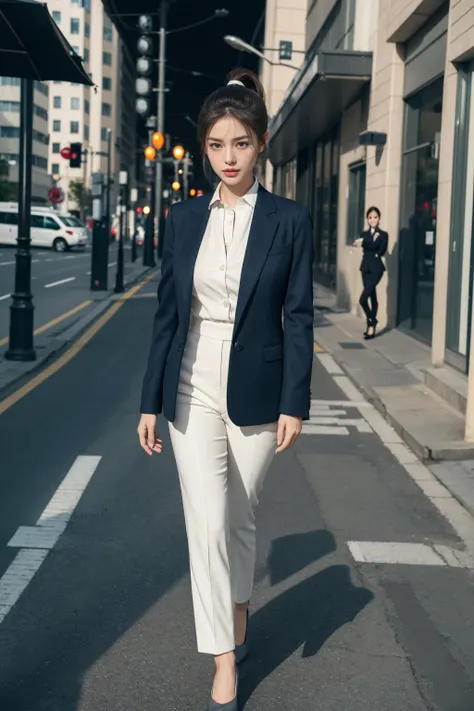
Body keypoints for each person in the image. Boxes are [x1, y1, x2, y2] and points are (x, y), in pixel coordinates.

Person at [137, 68, 314, 711]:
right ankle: (222, 658)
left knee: (241, 518)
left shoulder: (288, 220)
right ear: (205, 148)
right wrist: (149, 401)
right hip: (191, 385)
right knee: (207, 522)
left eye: (240, 143)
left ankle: (240, 599)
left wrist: (297, 399)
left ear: (260, 143)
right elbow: (166, 315)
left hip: (261, 390)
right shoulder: (184, 220)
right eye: (217, 145)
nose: (228, 157)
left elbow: (299, 316)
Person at [354, 206, 388, 339]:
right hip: (365, 268)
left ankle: (371, 320)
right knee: (372, 296)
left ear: (379, 219)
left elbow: (382, 250)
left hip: (377, 269)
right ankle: (371, 327)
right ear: (367, 220)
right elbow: (361, 245)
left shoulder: (383, 234)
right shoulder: (364, 234)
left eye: (375, 217)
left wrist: (367, 246)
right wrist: (363, 244)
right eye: (370, 217)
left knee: (363, 299)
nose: (372, 220)